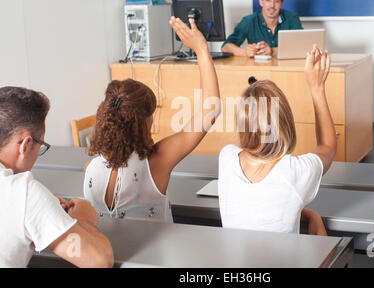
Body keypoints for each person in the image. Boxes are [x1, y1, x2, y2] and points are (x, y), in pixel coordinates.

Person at [83, 17, 221, 220]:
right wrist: (201, 50)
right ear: (144, 123)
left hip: (115, 251)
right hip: (158, 251)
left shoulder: (90, 169)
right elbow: (212, 108)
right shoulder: (157, 162)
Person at [218, 45, 336, 234]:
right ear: (285, 122)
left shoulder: (226, 157)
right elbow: (327, 145)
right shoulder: (297, 171)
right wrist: (317, 87)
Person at [0, 87, 114, 268]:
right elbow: (99, 261)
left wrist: (45, 207)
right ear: (26, 144)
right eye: (41, 144)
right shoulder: (25, 193)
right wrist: (85, 219)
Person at [221, 0, 303, 57]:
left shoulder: (292, 18)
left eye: (277, 1)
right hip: (259, 70)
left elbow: (303, 47)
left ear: (282, 3)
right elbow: (226, 47)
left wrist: (272, 51)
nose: (272, 5)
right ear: (261, 2)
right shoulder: (249, 21)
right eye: (268, 0)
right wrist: (245, 52)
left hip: (285, 69)